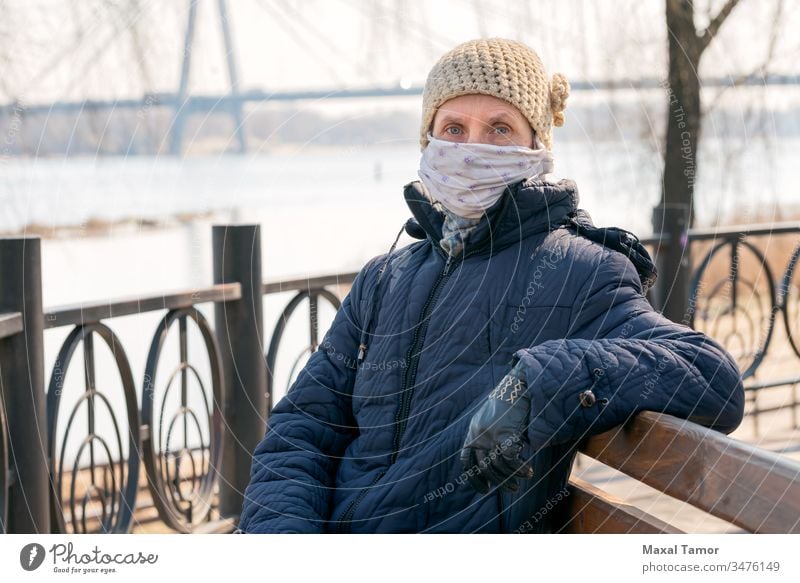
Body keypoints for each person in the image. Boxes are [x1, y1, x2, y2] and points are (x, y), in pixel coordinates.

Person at [236, 37, 744, 534]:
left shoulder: (581, 271)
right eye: (453, 127)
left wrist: (544, 381)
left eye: (499, 129)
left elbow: (712, 378)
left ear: (536, 146)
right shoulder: (382, 280)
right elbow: (300, 432)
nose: (471, 148)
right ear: (428, 141)